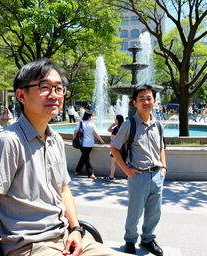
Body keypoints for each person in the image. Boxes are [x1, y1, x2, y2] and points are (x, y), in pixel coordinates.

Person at [0, 59, 128, 256]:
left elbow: (64, 189)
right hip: (32, 246)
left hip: (68, 237)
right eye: (44, 87)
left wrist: (76, 229)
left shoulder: (56, 140)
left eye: (59, 88)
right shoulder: (8, 142)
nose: (54, 95)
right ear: (21, 95)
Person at [111, 85, 167, 256]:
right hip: (138, 175)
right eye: (141, 98)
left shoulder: (158, 124)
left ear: (154, 101)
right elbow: (114, 148)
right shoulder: (129, 124)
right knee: (134, 212)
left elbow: (161, 146)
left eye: (149, 98)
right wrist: (127, 171)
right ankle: (130, 240)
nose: (146, 101)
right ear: (134, 103)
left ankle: (148, 239)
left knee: (154, 212)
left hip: (157, 174)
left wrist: (164, 166)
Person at [74, 111, 105, 179]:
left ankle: (77, 170)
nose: (92, 118)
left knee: (84, 157)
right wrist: (101, 140)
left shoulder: (80, 123)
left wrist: (74, 138)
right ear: (89, 117)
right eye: (91, 116)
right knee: (86, 158)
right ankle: (90, 173)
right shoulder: (91, 124)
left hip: (82, 143)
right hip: (90, 143)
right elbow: (95, 133)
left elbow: (75, 132)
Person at [104, 114, 125, 180]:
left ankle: (111, 176)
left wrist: (114, 125)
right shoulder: (123, 127)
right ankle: (128, 176)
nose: (114, 120)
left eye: (115, 119)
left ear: (118, 120)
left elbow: (112, 138)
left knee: (113, 162)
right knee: (124, 162)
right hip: (123, 147)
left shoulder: (116, 128)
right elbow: (109, 130)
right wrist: (113, 125)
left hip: (115, 148)